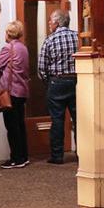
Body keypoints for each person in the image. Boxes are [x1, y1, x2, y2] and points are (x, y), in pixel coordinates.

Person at [38, 9, 78, 164]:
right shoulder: (77, 37)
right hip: (76, 82)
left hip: (56, 82)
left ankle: (57, 156)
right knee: (79, 120)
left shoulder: (49, 40)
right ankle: (82, 154)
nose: (49, 23)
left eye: (50, 21)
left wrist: (48, 82)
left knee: (57, 120)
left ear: (56, 22)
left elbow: (42, 68)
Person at [0, 20, 30, 169]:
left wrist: (3, 69)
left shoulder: (8, 48)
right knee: (20, 124)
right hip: (22, 91)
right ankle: (24, 156)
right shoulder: (23, 48)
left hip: (10, 92)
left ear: (8, 33)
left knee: (11, 126)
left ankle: (16, 158)